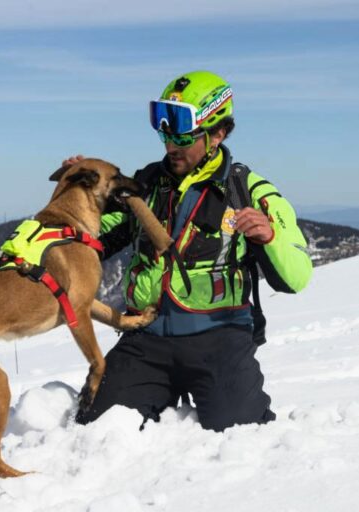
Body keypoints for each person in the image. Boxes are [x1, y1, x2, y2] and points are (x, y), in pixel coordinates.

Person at [70, 70, 313, 431]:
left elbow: (298, 276)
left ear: (218, 133)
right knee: (92, 428)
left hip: (220, 341)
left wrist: (270, 238)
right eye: (163, 129)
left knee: (242, 435)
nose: (169, 142)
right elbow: (85, 238)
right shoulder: (144, 185)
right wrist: (77, 194)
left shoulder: (248, 190)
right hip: (146, 338)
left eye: (182, 133)